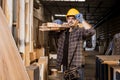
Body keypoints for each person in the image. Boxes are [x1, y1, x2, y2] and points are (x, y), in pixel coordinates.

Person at [56, 8, 95, 80]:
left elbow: (91, 31)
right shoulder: (63, 33)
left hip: (76, 67)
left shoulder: (80, 31)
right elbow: (52, 35)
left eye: (73, 18)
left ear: (77, 20)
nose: (70, 20)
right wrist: (55, 26)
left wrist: (82, 20)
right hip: (65, 66)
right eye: (69, 18)